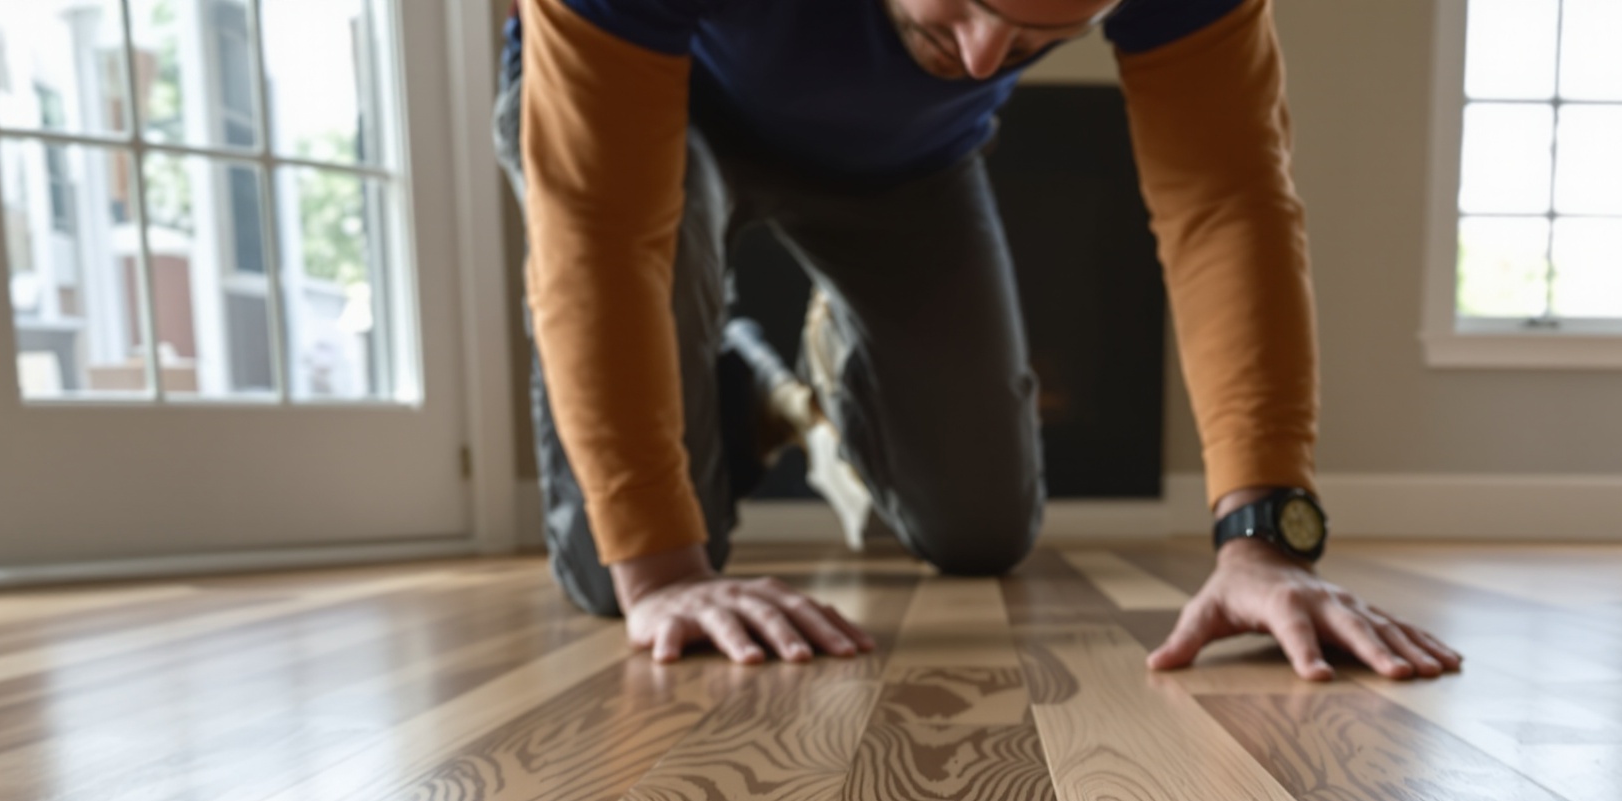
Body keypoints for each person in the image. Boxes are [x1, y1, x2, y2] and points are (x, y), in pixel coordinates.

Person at [495, 0, 1461, 681]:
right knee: (617, 576)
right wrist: (662, 575)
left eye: (1042, 33)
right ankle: (730, 391)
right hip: (658, 116)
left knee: (980, 534)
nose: (984, 56)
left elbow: (1227, 205)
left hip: (902, 162)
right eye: (962, 1)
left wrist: (1264, 546)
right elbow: (602, 231)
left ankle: (789, 385)